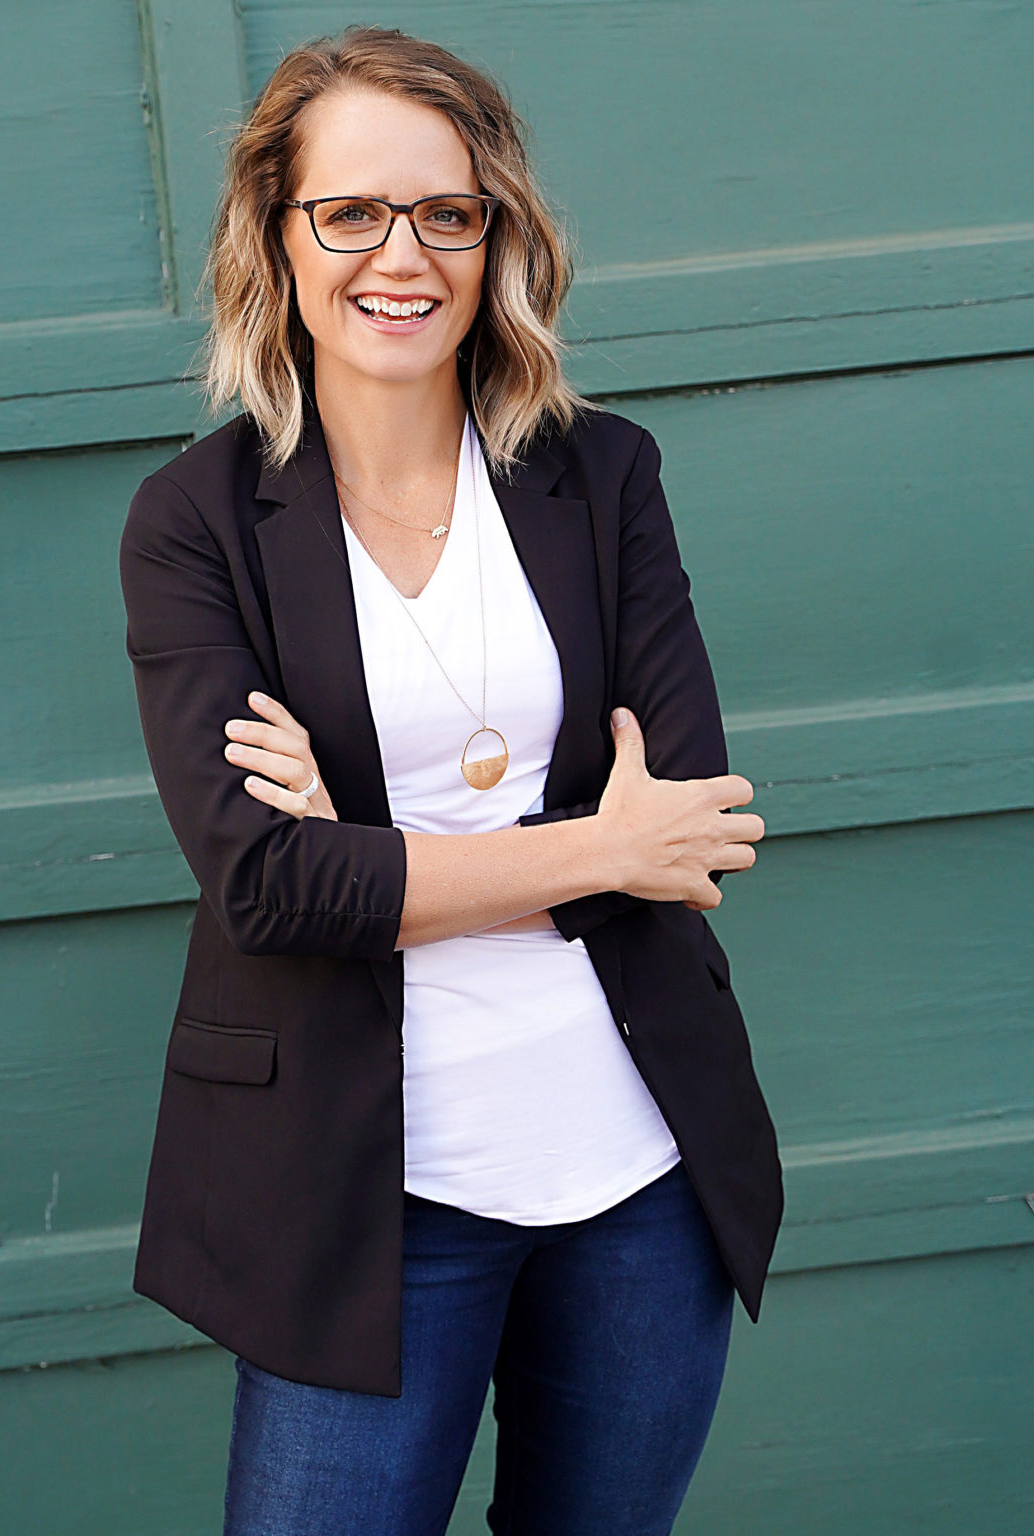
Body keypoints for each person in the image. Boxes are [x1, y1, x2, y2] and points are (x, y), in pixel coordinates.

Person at [118, 24, 783, 1536]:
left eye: (446, 211)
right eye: (349, 210)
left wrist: (377, 852)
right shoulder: (197, 523)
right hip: (365, 1196)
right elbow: (269, 888)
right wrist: (584, 849)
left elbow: (691, 828)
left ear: (497, 238)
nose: (397, 253)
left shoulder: (600, 475)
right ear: (277, 238)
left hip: (634, 1174)